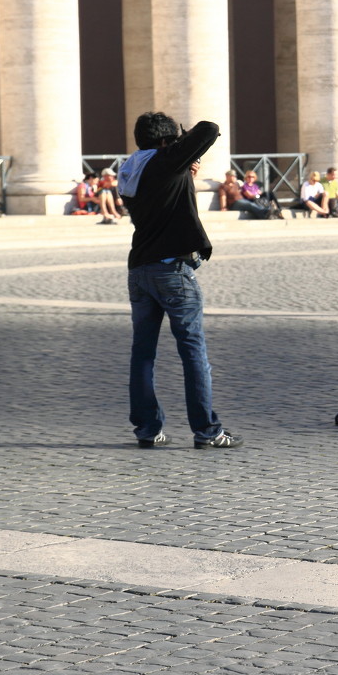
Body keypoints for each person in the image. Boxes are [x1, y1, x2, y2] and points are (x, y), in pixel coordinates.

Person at [119, 111, 242, 450]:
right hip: (173, 271)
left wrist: (182, 164)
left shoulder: (131, 168)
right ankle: (207, 430)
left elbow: (162, 193)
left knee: (142, 354)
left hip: (140, 269)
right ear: (164, 142)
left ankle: (147, 428)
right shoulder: (164, 160)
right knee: (193, 353)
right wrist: (181, 140)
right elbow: (210, 129)